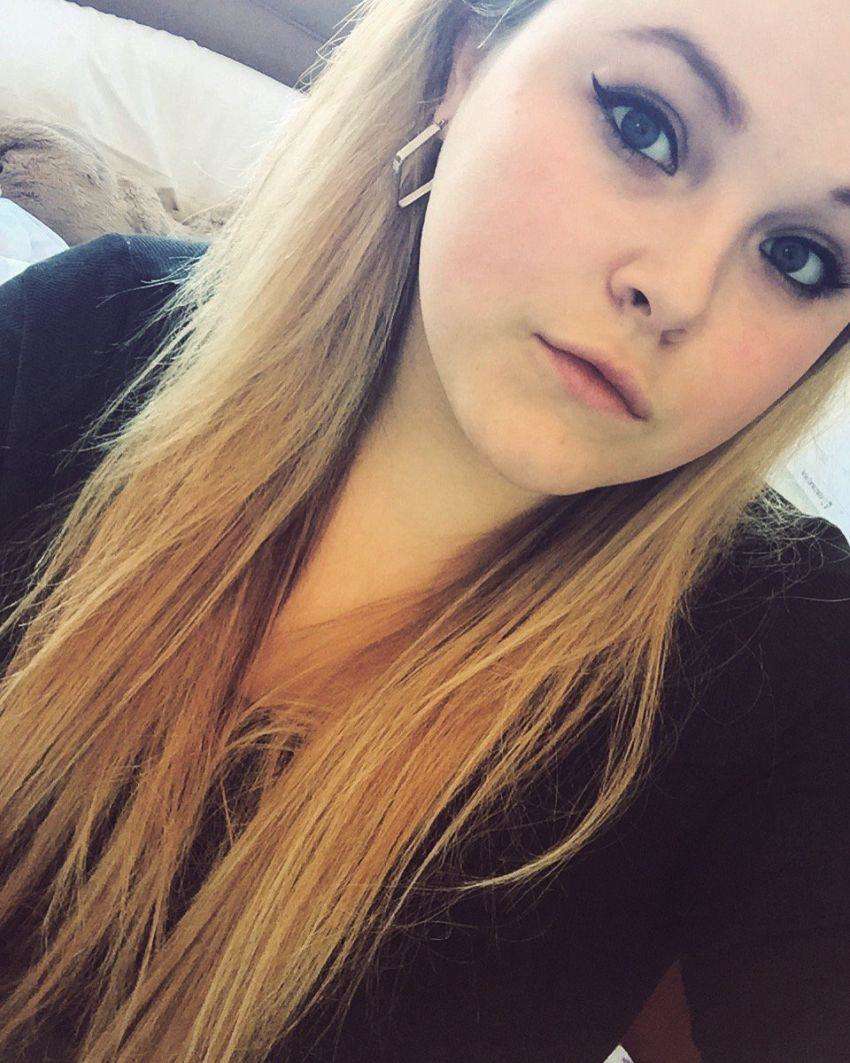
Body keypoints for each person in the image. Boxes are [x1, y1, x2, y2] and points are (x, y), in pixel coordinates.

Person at [0, 0, 848, 1059]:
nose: (675, 292)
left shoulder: (788, 662)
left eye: (800, 257)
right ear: (463, 60)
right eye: (644, 126)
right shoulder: (87, 338)